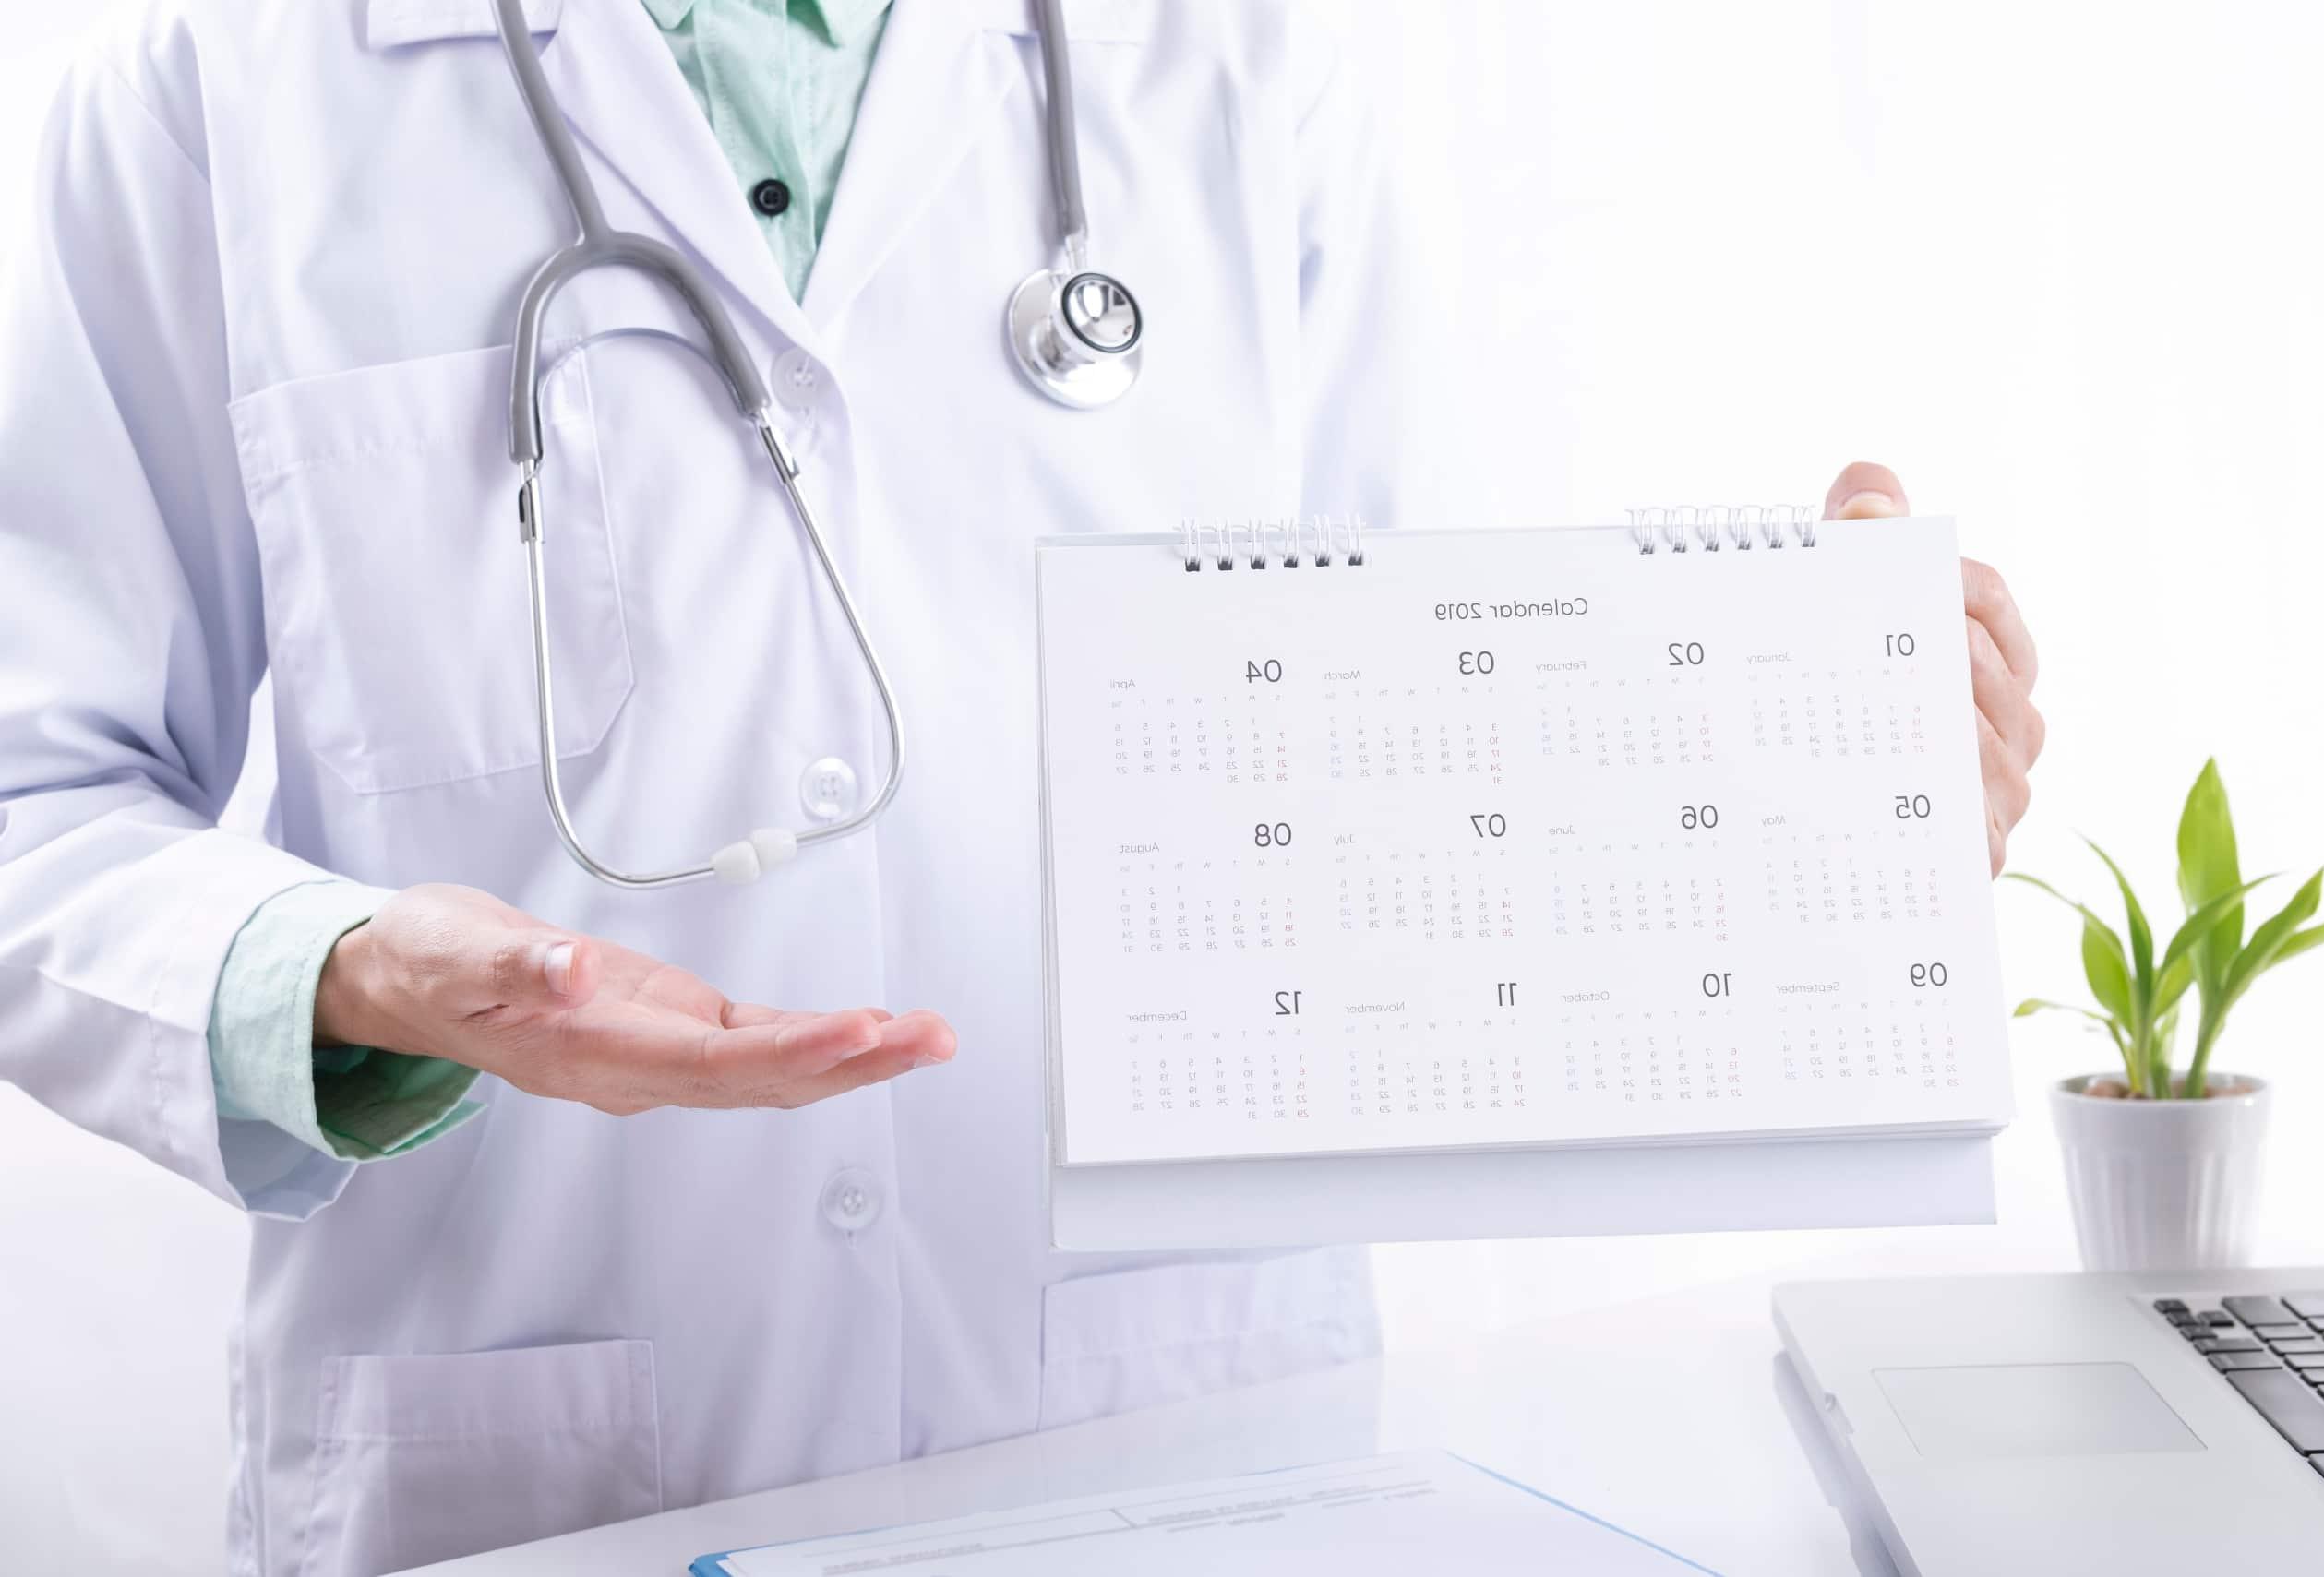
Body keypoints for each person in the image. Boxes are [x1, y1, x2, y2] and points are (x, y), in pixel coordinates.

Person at [0, 2, 2046, 1573]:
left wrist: (1799, 791)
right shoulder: (223, 75)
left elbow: (1429, 780)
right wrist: (346, 972)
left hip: (1175, 1448)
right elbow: (31, 791)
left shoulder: (1229, 63)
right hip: (539, 1468)